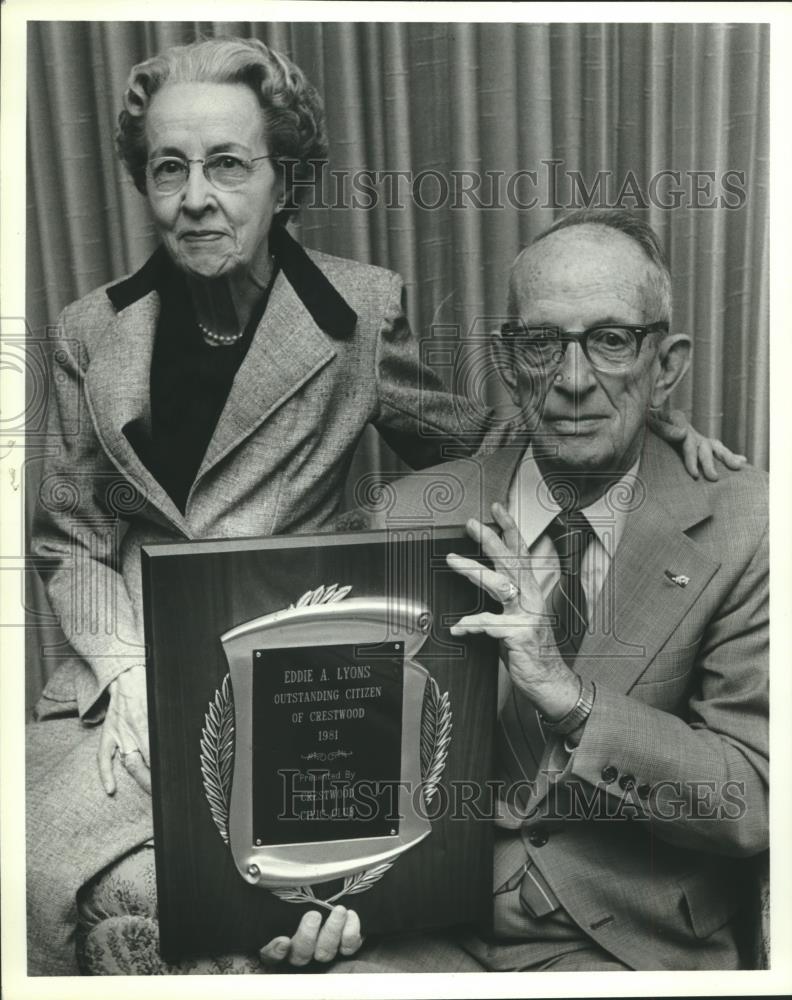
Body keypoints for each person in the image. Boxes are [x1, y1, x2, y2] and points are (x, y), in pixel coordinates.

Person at [25, 32, 742, 975]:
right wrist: (123, 667)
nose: (195, 197)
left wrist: (651, 421)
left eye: (228, 165)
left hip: (299, 657)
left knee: (258, 911)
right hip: (121, 660)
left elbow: (485, 438)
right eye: (169, 168)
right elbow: (65, 537)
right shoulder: (89, 329)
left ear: (284, 179)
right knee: (67, 877)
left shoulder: (355, 312)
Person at [257, 209, 768, 972]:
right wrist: (310, 896)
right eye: (541, 344)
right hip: (429, 931)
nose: (571, 381)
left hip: (633, 947)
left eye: (612, 340)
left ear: (666, 366)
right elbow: (337, 767)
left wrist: (572, 700)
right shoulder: (401, 517)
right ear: (507, 358)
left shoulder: (747, 523)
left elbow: (755, 799)